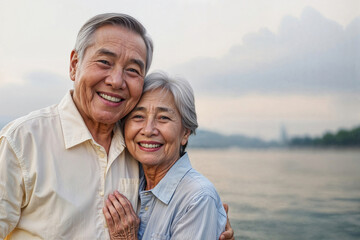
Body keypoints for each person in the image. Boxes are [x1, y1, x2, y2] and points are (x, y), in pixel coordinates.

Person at [0, 13, 234, 239]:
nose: (116, 81)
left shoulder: (138, 149)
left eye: (132, 70)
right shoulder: (23, 141)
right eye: (104, 62)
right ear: (74, 65)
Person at [103, 71, 227, 239]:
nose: (148, 130)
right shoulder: (130, 177)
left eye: (163, 118)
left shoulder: (198, 199)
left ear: (185, 133)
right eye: (138, 116)